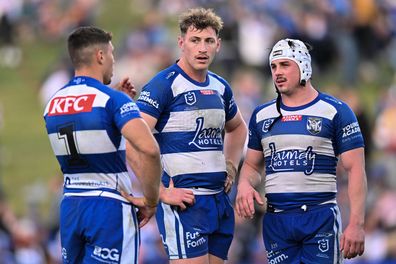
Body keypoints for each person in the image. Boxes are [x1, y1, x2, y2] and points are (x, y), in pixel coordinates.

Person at [132, 8, 247, 264]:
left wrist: (231, 165)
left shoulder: (220, 86)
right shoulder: (163, 85)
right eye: (195, 41)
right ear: (181, 43)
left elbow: (238, 128)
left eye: (208, 41)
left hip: (218, 202)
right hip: (184, 204)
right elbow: (131, 141)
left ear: (218, 44)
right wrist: (158, 192)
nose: (202, 48)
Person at [235, 38, 367, 263]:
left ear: (304, 65)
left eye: (285, 64)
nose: (277, 72)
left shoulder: (336, 111)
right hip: (277, 221)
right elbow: (251, 165)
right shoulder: (261, 115)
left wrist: (356, 223)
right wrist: (244, 185)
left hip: (319, 217)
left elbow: (356, 169)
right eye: (274, 66)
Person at [43, 26, 161, 263]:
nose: (113, 60)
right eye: (112, 53)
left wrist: (114, 99)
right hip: (108, 207)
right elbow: (149, 149)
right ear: (100, 56)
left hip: (71, 206)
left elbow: (87, 121)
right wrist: (151, 200)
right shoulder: (112, 100)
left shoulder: (53, 102)